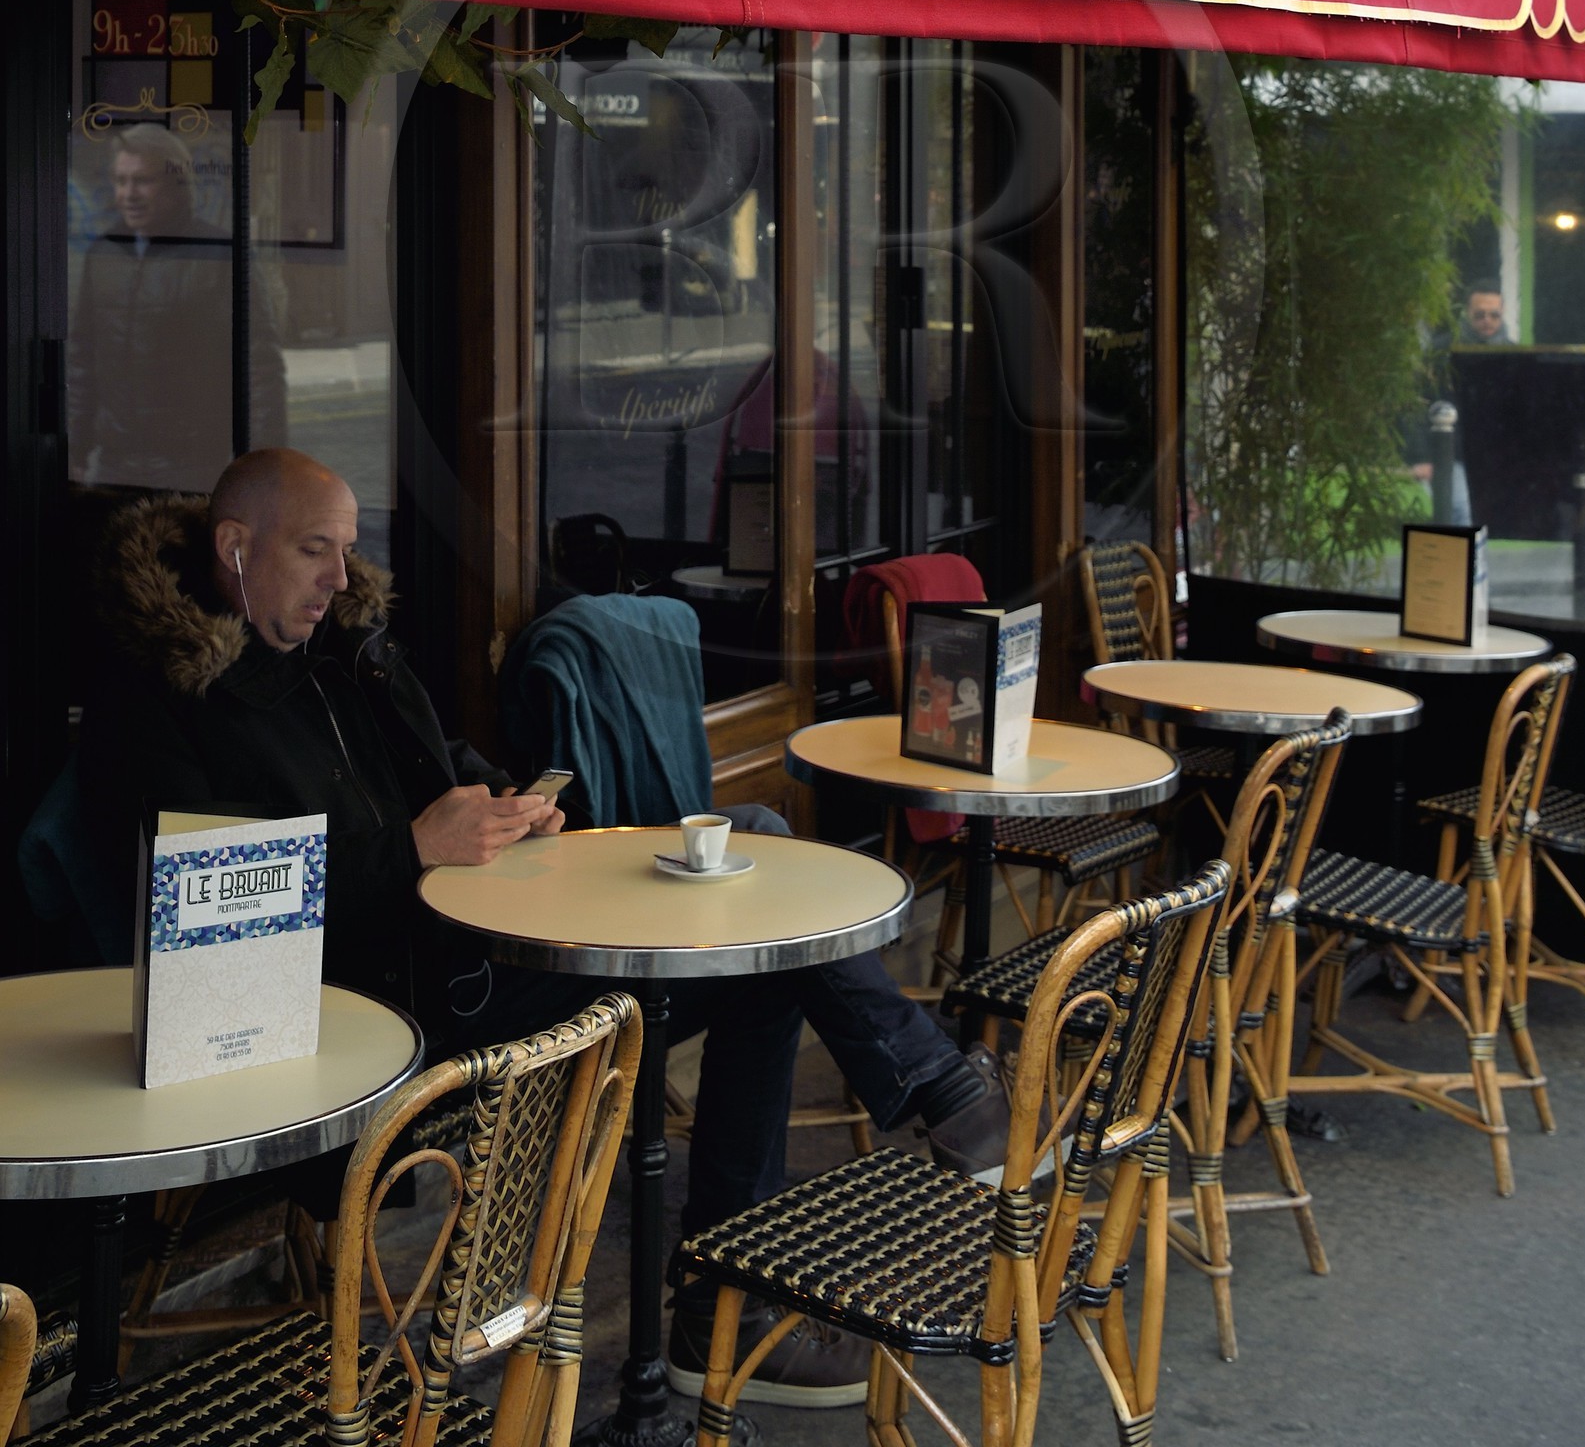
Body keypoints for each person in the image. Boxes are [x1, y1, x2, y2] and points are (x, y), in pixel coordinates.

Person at [78, 449, 1009, 1412]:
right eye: (317, 550)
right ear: (235, 546)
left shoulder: (348, 648)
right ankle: (792, 1237)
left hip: (470, 956)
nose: (341, 579)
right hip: (359, 1026)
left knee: (756, 894)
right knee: (754, 931)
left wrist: (507, 802)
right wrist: (411, 850)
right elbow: (208, 917)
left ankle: (731, 1292)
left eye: (349, 552)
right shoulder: (160, 701)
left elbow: (441, 764)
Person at [68, 123, 287, 488]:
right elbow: (82, 363)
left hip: (191, 466)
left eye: (143, 181)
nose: (129, 194)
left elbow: (259, 365)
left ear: (176, 182)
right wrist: (73, 452)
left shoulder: (218, 254)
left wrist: (262, 467)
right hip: (114, 464)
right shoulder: (104, 254)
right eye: (120, 181)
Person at [1461, 280, 1510, 346]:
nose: (1487, 320)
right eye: (1479, 314)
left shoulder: (1517, 353)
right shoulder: (1445, 349)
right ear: (1467, 311)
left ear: (1502, 311)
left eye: (1494, 314)